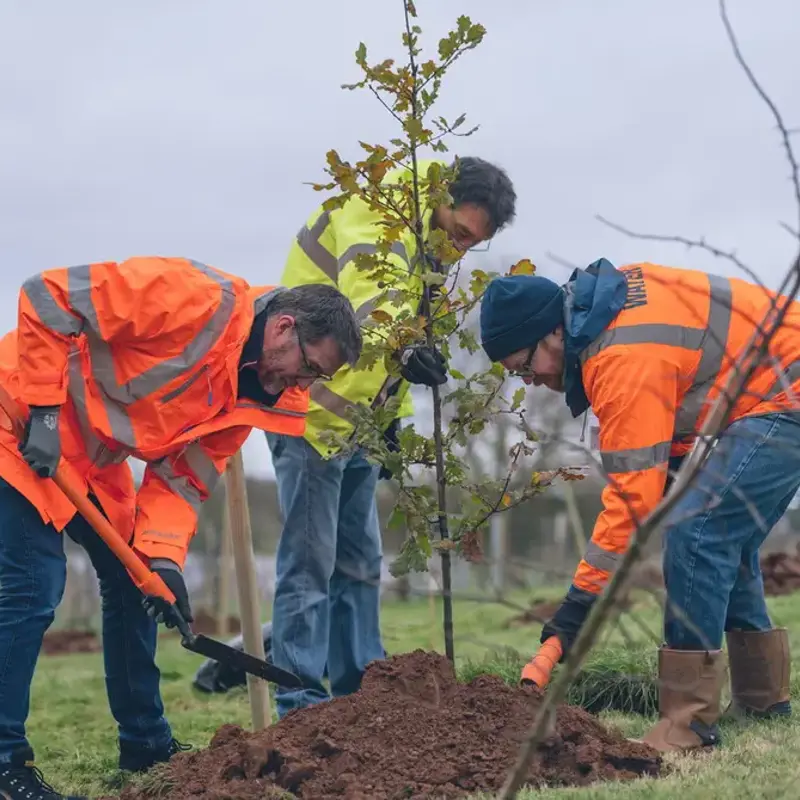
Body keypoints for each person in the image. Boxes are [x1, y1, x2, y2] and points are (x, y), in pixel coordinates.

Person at [0, 257, 361, 800]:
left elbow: (182, 480)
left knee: (135, 581)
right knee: (34, 584)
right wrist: (46, 412)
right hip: (20, 422)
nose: (302, 382)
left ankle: (145, 743)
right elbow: (47, 295)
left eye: (317, 377)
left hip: (89, 459)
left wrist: (163, 558)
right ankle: (5, 762)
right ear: (284, 327)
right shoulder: (194, 299)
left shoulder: (257, 394)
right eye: (307, 366)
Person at [479, 257, 800, 753]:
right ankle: (763, 700)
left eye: (524, 365)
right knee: (721, 533)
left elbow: (631, 502)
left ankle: (687, 723)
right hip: (770, 390)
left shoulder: (619, 356)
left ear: (552, 335)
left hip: (787, 391)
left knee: (698, 532)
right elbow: (677, 405)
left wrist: (578, 606)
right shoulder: (607, 311)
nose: (528, 380)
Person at [265, 156, 517, 718]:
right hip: (309, 417)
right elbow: (369, 299)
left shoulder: (428, 247)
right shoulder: (377, 209)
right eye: (457, 234)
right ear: (440, 196)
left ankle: (360, 697)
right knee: (309, 565)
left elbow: (396, 349)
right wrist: (403, 347)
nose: (457, 252)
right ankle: (301, 706)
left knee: (359, 560)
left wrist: (392, 423)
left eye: (469, 245)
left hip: (361, 426)